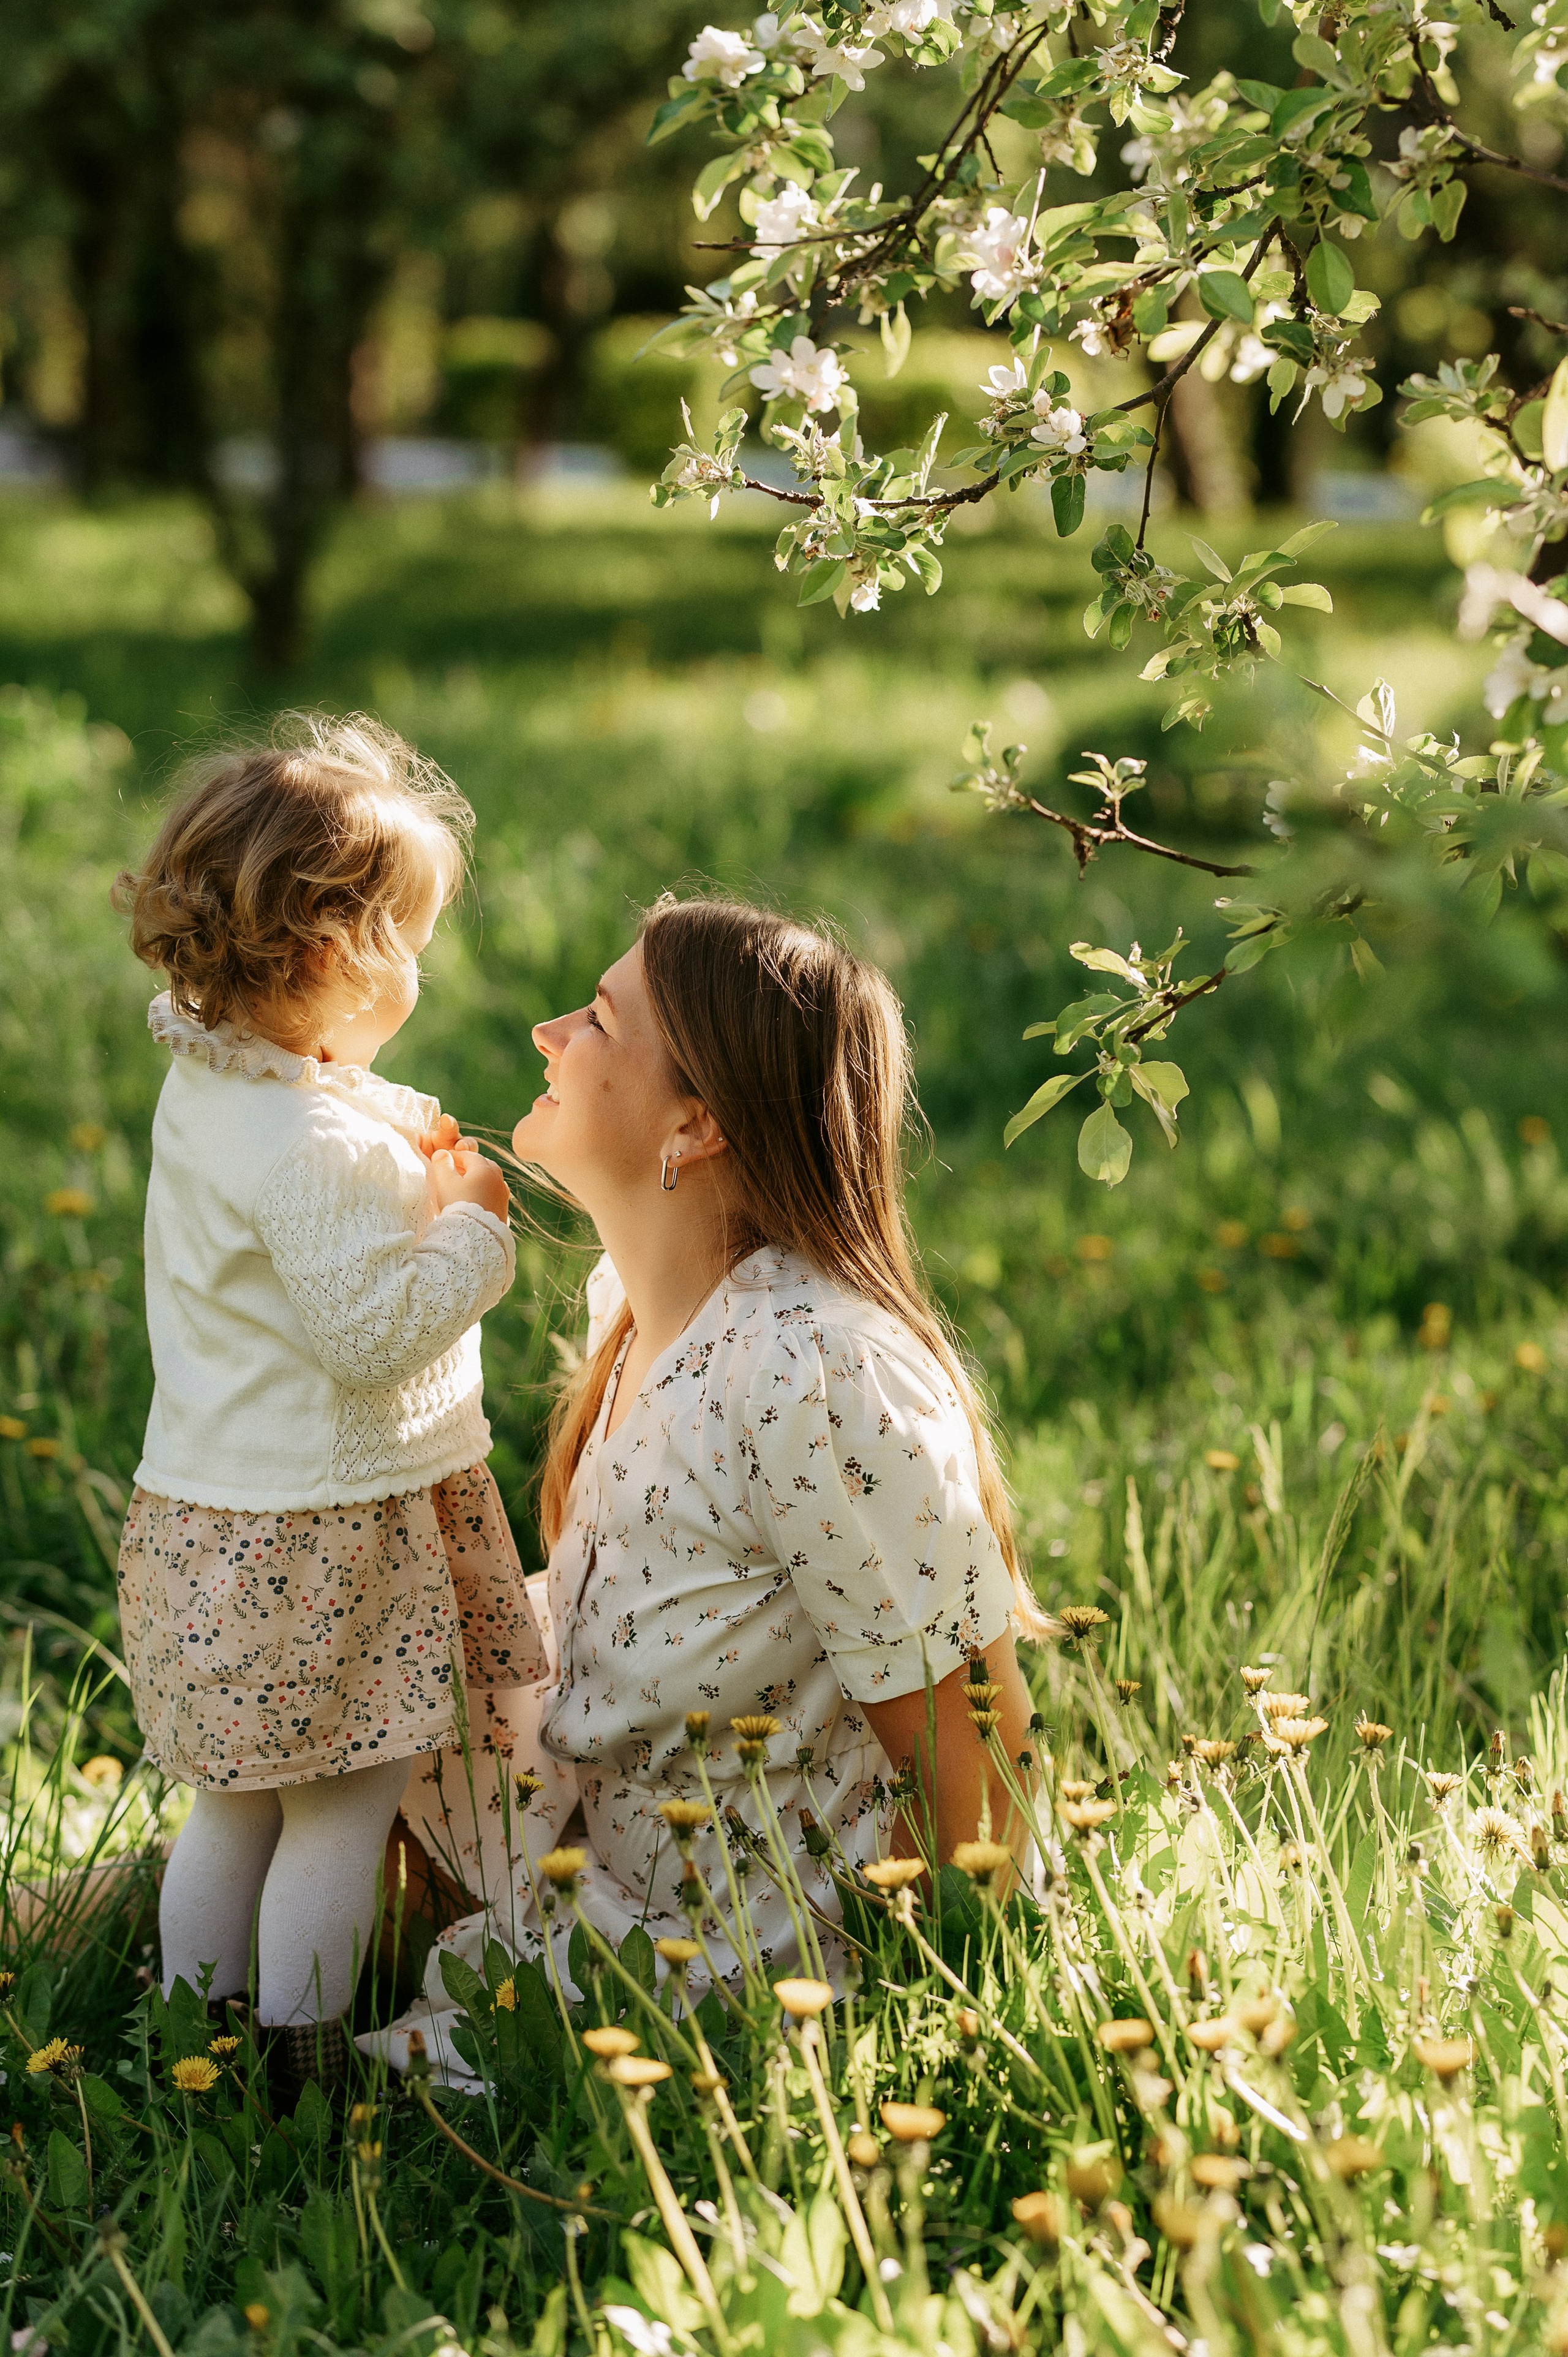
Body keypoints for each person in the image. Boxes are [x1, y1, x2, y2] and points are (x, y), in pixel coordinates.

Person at [386, 895, 1039, 2081]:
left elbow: (969, 1764)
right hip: (605, 1864)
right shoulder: (635, 1318)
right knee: (309, 1784)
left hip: (737, 1972)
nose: (545, 1032)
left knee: (328, 2098)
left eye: (593, 1018)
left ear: (691, 1124)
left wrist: (941, 2034)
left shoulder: (815, 1373)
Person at [113, 716, 543, 2088]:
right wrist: (472, 1235)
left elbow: (307, 1132)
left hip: (210, 1515)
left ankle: (190, 2032)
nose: (418, 966)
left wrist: (382, 1146)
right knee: (344, 1810)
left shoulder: (211, 1076)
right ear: (327, 956)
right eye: (406, 938)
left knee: (230, 1807)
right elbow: (370, 1333)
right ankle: (302, 2058)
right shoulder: (307, 1149)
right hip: (324, 1533)